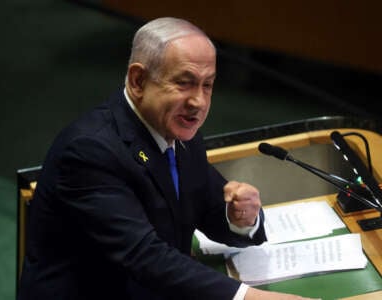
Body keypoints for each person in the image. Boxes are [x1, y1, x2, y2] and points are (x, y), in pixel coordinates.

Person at [17, 17, 318, 300]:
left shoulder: (179, 131)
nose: (198, 102)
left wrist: (241, 218)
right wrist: (246, 297)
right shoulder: (89, 152)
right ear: (138, 81)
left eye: (207, 85)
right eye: (184, 83)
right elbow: (145, 256)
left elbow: (207, 203)